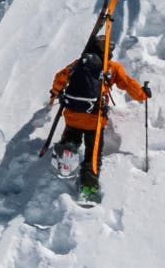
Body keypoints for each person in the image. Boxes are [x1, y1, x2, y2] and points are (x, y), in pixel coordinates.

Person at [48, 46, 149, 198]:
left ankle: (68, 150)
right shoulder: (112, 68)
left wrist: (54, 93)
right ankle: (88, 190)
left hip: (73, 114)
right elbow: (127, 83)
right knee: (92, 155)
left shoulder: (78, 64)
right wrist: (142, 94)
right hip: (94, 120)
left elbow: (60, 77)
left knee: (71, 136)